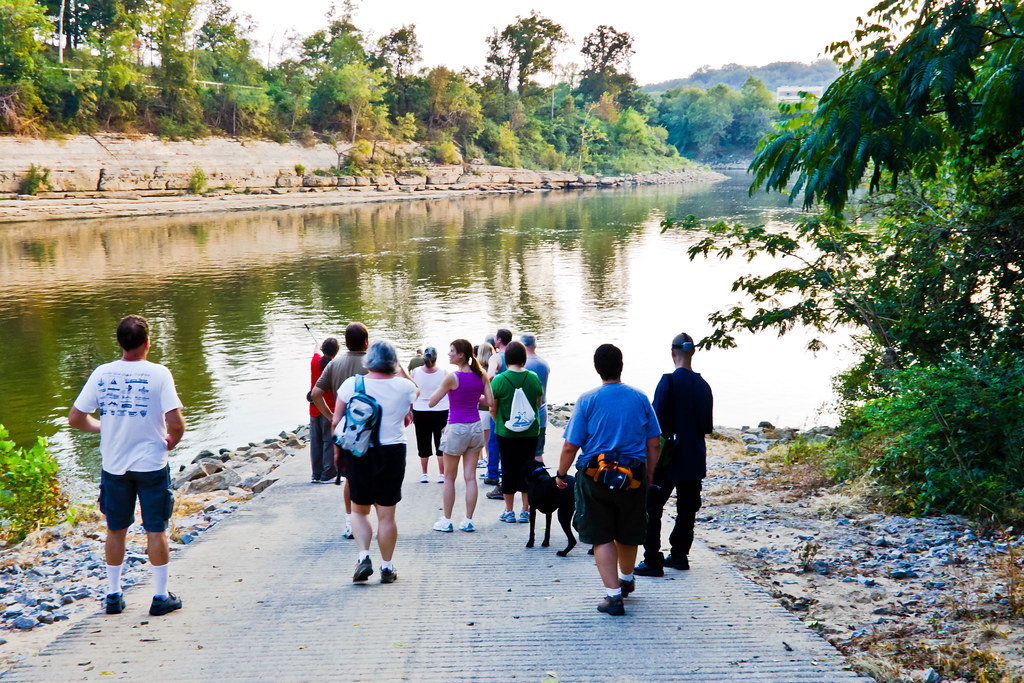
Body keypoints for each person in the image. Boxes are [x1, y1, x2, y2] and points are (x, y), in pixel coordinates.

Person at [68, 315, 186, 617]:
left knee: (116, 529)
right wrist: (171, 440)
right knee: (155, 528)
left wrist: (102, 427)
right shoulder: (159, 374)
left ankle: (113, 594)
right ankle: (160, 597)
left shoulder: (102, 373)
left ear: (120, 342)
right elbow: (176, 423)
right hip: (151, 464)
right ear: (147, 343)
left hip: (114, 464)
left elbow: (75, 418)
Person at [555, 344, 661, 617]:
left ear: (597, 368)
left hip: (596, 477)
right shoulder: (640, 397)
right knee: (628, 531)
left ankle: (613, 597)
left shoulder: (587, 400)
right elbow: (654, 442)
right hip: (632, 476)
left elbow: (570, 446)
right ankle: (626, 579)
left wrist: (561, 474)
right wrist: (649, 473)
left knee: (602, 535)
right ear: (621, 365)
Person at [332, 341, 417, 584]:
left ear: (368, 360)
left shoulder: (352, 384)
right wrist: (401, 368)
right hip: (392, 453)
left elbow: (336, 422)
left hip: (359, 452)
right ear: (394, 362)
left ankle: (363, 557)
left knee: (360, 511)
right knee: (387, 516)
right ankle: (387, 568)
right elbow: (417, 391)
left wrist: (337, 451)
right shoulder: (405, 387)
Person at [635, 333, 714, 576]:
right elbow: (706, 426)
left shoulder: (667, 382)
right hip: (694, 457)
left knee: (652, 506)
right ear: (693, 352)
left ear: (672, 353)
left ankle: (652, 559)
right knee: (687, 509)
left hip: (667, 458)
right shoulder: (703, 385)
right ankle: (679, 555)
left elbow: (655, 424)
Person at [428, 339, 492, 533]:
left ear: (461, 355)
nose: (449, 354)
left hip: (456, 428)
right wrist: (473, 395)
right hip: (475, 428)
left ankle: (447, 521)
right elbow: (489, 401)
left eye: (452, 351)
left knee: (449, 477)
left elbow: (431, 402)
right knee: (470, 478)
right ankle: (468, 520)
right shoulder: (481, 375)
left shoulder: (452, 378)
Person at [312, 322, 369, 539]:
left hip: (346, 429)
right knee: (372, 476)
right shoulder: (373, 362)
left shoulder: (334, 365)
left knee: (349, 478)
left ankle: (349, 522)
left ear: (346, 342)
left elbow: (315, 394)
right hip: (371, 429)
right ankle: (368, 521)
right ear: (366, 342)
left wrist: (330, 417)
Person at [490, 341, 544, 523]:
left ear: (506, 359)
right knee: (527, 468)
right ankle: (525, 511)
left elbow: (492, 408)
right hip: (530, 432)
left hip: (506, 433)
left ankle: (509, 511)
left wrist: (500, 422)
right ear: (524, 359)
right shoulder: (533, 378)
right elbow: (537, 404)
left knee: (508, 469)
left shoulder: (499, 380)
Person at [411, 347, 448, 484]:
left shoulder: (415, 372)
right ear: (436, 358)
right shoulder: (444, 372)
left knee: (423, 442)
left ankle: (424, 474)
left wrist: (410, 410)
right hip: (441, 410)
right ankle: (441, 474)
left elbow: (412, 391)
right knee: (440, 443)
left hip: (420, 410)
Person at [484, 328, 512, 499]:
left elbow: (489, 375)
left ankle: (493, 474)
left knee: (494, 440)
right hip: (513, 401)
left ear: (499, 340)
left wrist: (485, 391)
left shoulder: (496, 357)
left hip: (499, 401)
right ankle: (506, 472)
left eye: (495, 337)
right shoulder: (515, 354)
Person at [309, 337, 340, 483]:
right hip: (330, 409)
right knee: (328, 441)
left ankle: (316, 474)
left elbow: (316, 351)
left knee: (316, 442)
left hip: (315, 407)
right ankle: (328, 473)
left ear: (323, 349)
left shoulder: (314, 361)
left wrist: (318, 345)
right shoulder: (335, 365)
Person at [521, 333, 551, 461]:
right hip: (542, 413)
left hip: (524, 415)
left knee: (523, 453)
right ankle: (539, 472)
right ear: (535, 345)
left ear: (522, 345)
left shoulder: (522, 365)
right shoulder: (544, 364)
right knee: (538, 453)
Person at [475, 342, 495, 473]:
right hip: (491, 408)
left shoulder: (479, 371)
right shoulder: (495, 371)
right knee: (489, 438)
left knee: (482, 437)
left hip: (481, 408)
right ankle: (487, 459)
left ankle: (481, 459)